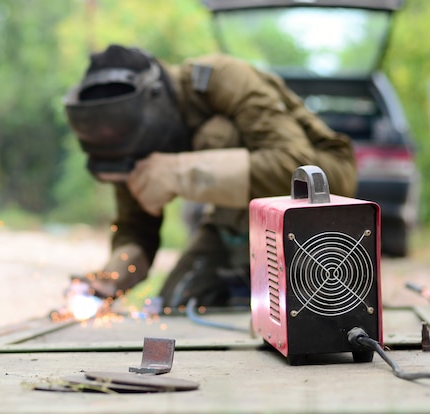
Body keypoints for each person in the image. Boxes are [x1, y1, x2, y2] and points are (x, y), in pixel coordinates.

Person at [62, 44, 357, 309]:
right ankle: (242, 262)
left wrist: (179, 174)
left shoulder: (219, 78)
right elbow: (136, 227)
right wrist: (110, 279)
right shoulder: (130, 143)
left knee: (216, 135)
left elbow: (296, 167)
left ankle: (272, 271)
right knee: (172, 307)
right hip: (231, 223)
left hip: (321, 193)